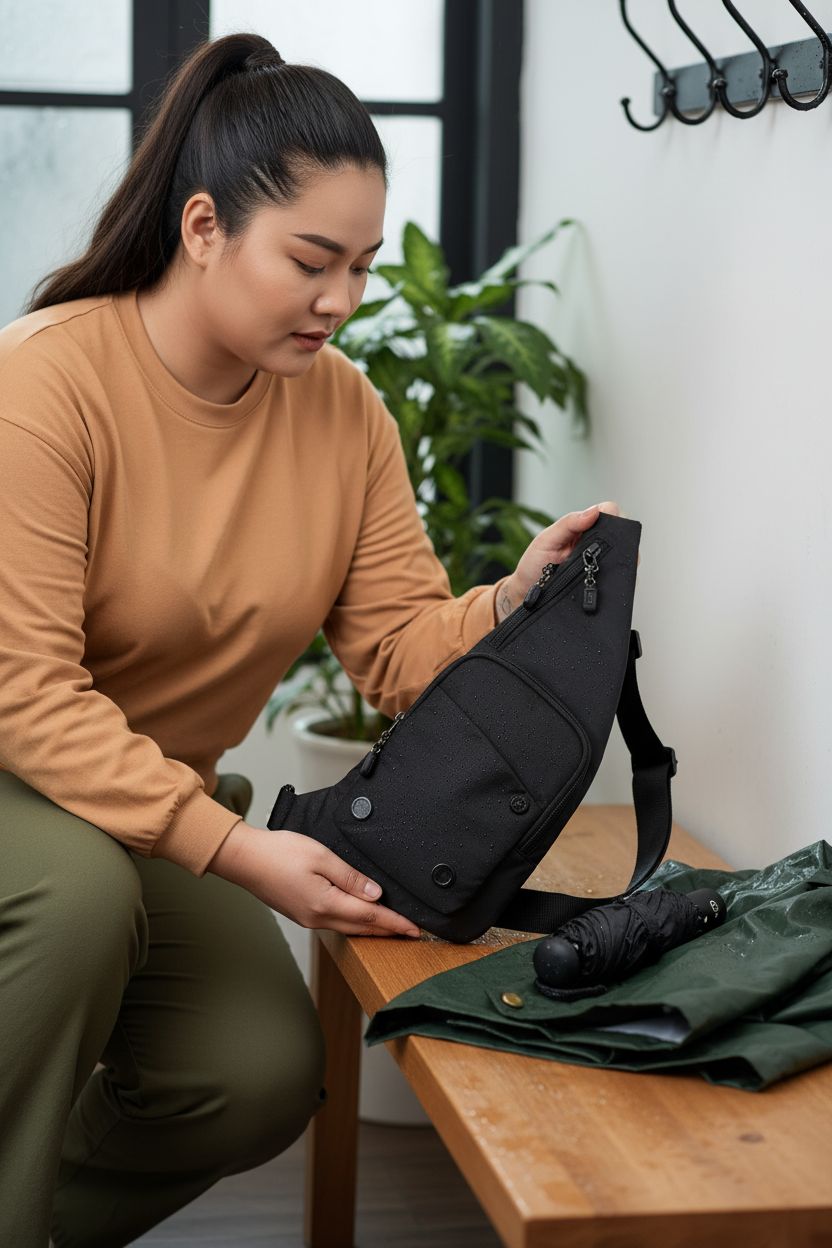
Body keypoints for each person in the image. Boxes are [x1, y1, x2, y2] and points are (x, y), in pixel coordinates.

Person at [0, 30, 618, 1248]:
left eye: (364, 265)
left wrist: (509, 602)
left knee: (258, 1076)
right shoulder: (47, 382)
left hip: (153, 801)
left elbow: (392, 653)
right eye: (311, 260)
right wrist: (235, 848)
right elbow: (23, 690)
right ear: (201, 230)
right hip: (19, 774)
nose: (342, 300)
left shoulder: (343, 412)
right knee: (73, 904)